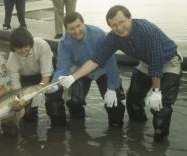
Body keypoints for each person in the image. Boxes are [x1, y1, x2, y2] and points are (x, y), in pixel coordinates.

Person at [59, 5, 182, 142]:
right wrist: (73, 77)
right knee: (133, 102)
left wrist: (156, 91)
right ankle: (136, 134)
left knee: (161, 106)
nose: (118, 28)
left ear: (130, 18)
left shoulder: (147, 30)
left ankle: (160, 142)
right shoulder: (113, 37)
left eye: (121, 22)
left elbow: (156, 62)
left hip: (168, 61)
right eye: (113, 25)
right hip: (145, 63)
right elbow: (96, 59)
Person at [45, 12, 126, 127]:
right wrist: (54, 84)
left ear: (83, 23)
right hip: (81, 72)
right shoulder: (63, 43)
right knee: (74, 102)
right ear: (66, 30)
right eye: (72, 28)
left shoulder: (99, 34)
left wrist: (112, 86)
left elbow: (111, 62)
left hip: (104, 70)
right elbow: (62, 68)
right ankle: (79, 126)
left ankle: (116, 129)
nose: (77, 31)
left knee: (115, 104)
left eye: (78, 26)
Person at [6, 27, 54, 124]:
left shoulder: (42, 45)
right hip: (26, 78)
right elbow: (17, 89)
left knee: (54, 105)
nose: (23, 50)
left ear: (31, 43)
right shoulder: (11, 61)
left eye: (26, 46)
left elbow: (46, 75)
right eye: (19, 48)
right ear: (13, 48)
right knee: (28, 113)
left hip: (44, 74)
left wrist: (40, 92)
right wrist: (21, 100)